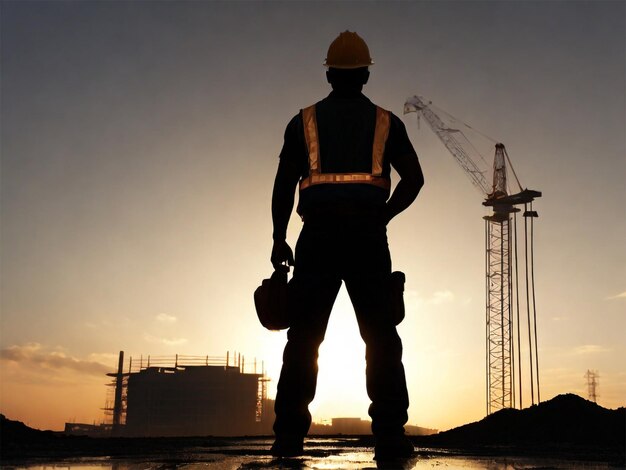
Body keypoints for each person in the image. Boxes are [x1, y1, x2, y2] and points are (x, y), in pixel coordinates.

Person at [269, 31, 424, 460]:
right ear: (366, 74)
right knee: (381, 337)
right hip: (367, 241)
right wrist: (386, 214)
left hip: (316, 239)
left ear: (330, 73)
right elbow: (415, 180)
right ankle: (390, 436)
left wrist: (279, 237)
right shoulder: (386, 121)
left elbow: (284, 184)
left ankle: (288, 438)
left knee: (303, 339)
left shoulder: (302, 122)